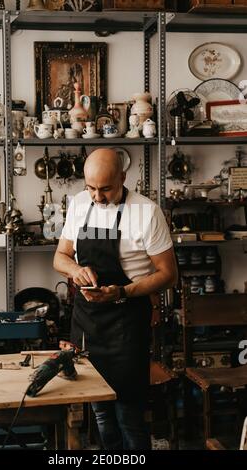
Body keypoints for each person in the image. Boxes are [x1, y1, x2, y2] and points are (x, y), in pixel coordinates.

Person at [53, 148, 178, 450]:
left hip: (126, 322)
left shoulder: (146, 212)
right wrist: (77, 271)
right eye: (91, 187)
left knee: (128, 415)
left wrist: (121, 291)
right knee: (100, 414)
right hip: (87, 322)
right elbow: (61, 256)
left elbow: (168, 274)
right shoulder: (79, 204)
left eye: (105, 188)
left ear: (123, 177)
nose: (96, 196)